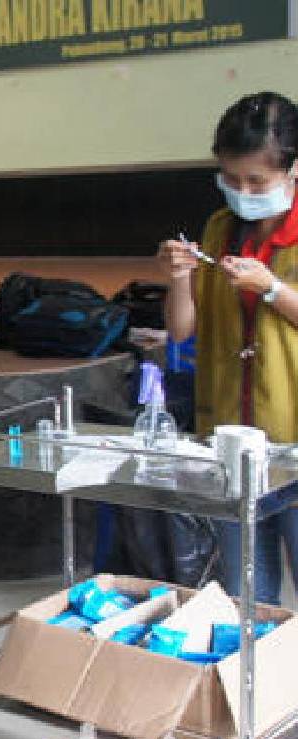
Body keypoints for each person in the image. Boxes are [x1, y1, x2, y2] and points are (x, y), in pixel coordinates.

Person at [160, 91, 298, 605]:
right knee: (247, 592)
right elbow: (180, 332)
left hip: (294, 440)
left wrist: (271, 288)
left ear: (292, 169)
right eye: (231, 179)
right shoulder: (220, 229)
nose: (243, 192)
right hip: (233, 445)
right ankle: (256, 683)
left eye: (257, 181)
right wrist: (178, 280)